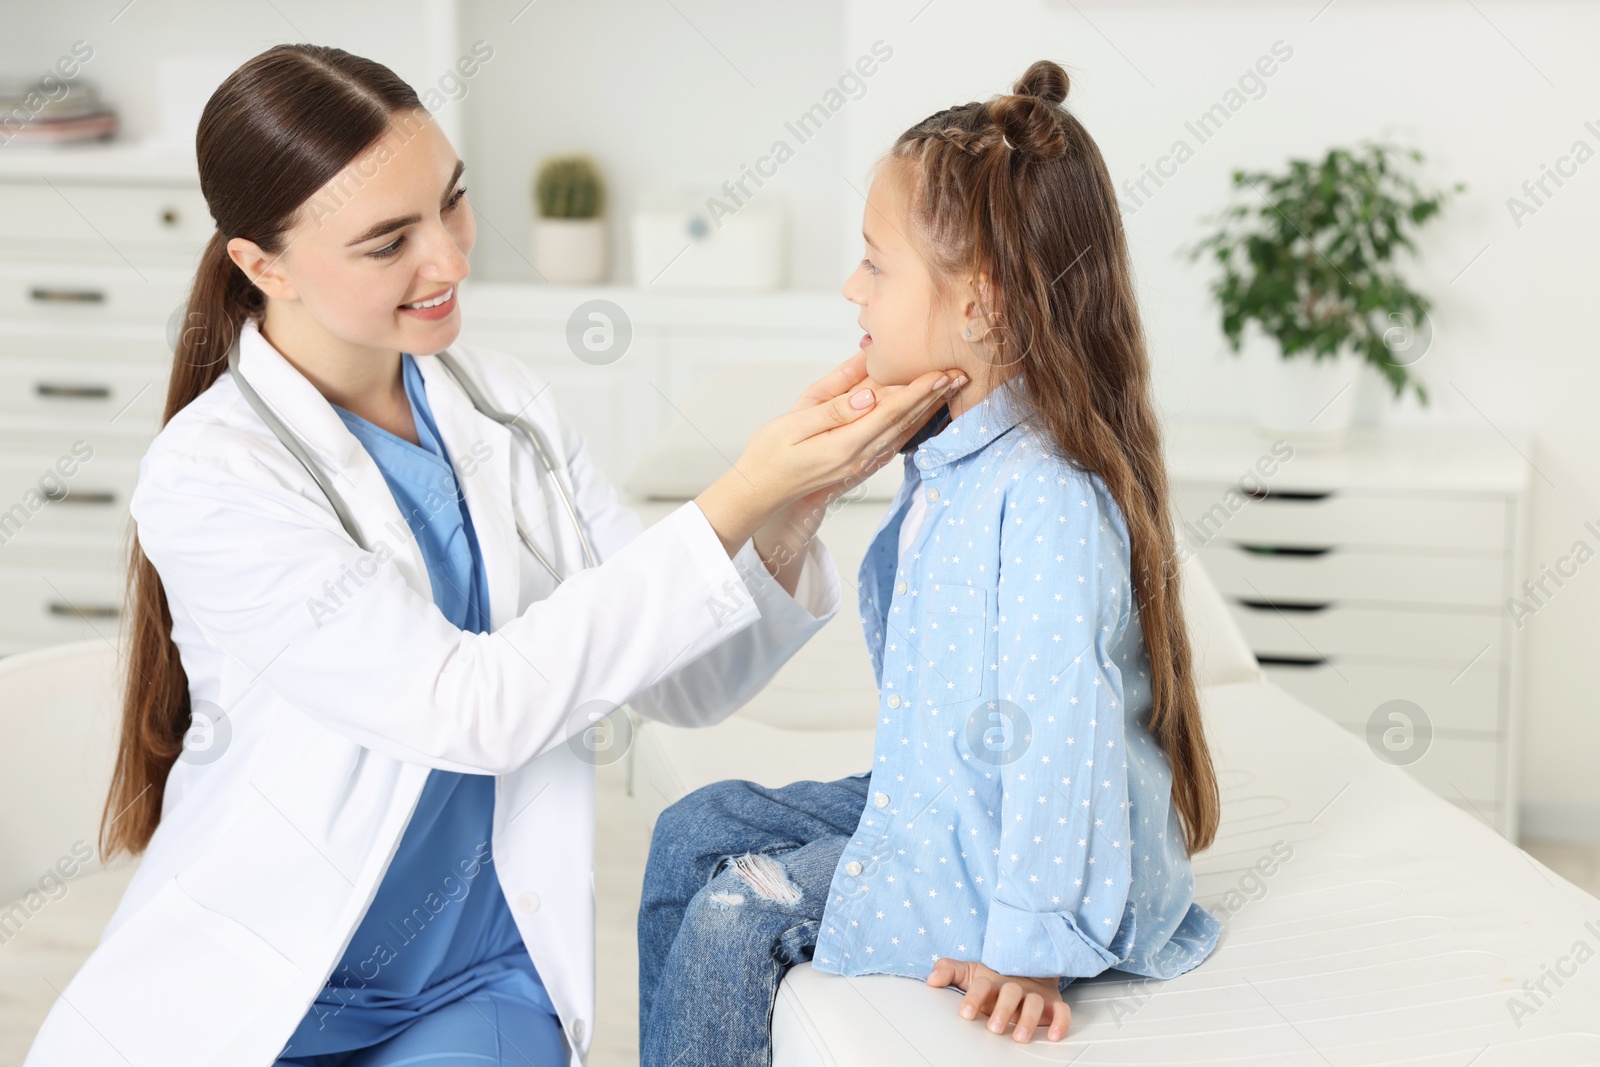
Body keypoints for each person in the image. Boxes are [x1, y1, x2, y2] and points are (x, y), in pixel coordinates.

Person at [22, 43, 964, 1067]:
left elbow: (685, 680)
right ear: (263, 265)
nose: (451, 259)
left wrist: (791, 502)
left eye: (453, 203)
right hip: (268, 973)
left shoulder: (502, 404)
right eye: (391, 241)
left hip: (474, 977)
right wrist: (736, 490)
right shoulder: (209, 476)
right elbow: (469, 709)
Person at [637, 59, 1224, 1065]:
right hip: (946, 797)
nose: (849, 287)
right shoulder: (956, 450)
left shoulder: (1042, 497)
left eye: (875, 263)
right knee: (692, 827)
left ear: (982, 306)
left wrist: (1028, 949)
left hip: (1017, 860)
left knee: (739, 913)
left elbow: (1062, 741)